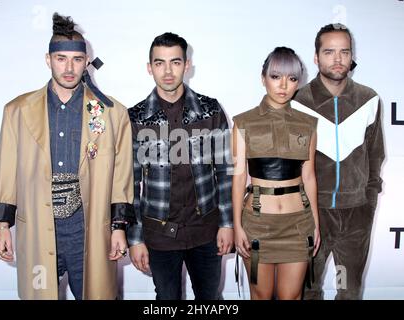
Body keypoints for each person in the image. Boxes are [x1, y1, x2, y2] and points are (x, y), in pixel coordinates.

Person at [0, 13, 135, 300]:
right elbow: (6, 170)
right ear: (48, 59)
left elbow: (121, 175)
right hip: (37, 233)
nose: (69, 68)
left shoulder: (111, 113)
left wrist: (119, 228)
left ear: (86, 62)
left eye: (77, 60)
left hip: (90, 233)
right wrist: (2, 226)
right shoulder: (17, 111)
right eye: (61, 59)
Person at [127, 32, 234, 300]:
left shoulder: (211, 110)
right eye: (159, 63)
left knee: (210, 299)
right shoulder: (136, 117)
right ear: (149, 67)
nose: (167, 71)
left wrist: (227, 223)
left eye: (175, 62)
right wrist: (136, 238)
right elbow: (131, 182)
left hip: (205, 231)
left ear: (187, 66)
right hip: (159, 235)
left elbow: (224, 172)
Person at [292, 24, 385, 300]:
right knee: (308, 289)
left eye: (344, 51)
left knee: (348, 291)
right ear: (316, 56)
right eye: (329, 51)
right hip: (312, 215)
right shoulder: (298, 101)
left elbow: (375, 154)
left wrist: (368, 200)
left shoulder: (369, 99)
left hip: (357, 215)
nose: (337, 59)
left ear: (352, 55)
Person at [232, 47, 320, 300]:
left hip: (298, 225)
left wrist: (316, 223)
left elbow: (310, 176)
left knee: (291, 297)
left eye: (292, 79)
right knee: (260, 296)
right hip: (257, 225)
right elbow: (238, 178)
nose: (283, 85)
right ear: (263, 78)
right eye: (275, 76)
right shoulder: (243, 122)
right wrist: (237, 225)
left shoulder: (308, 123)